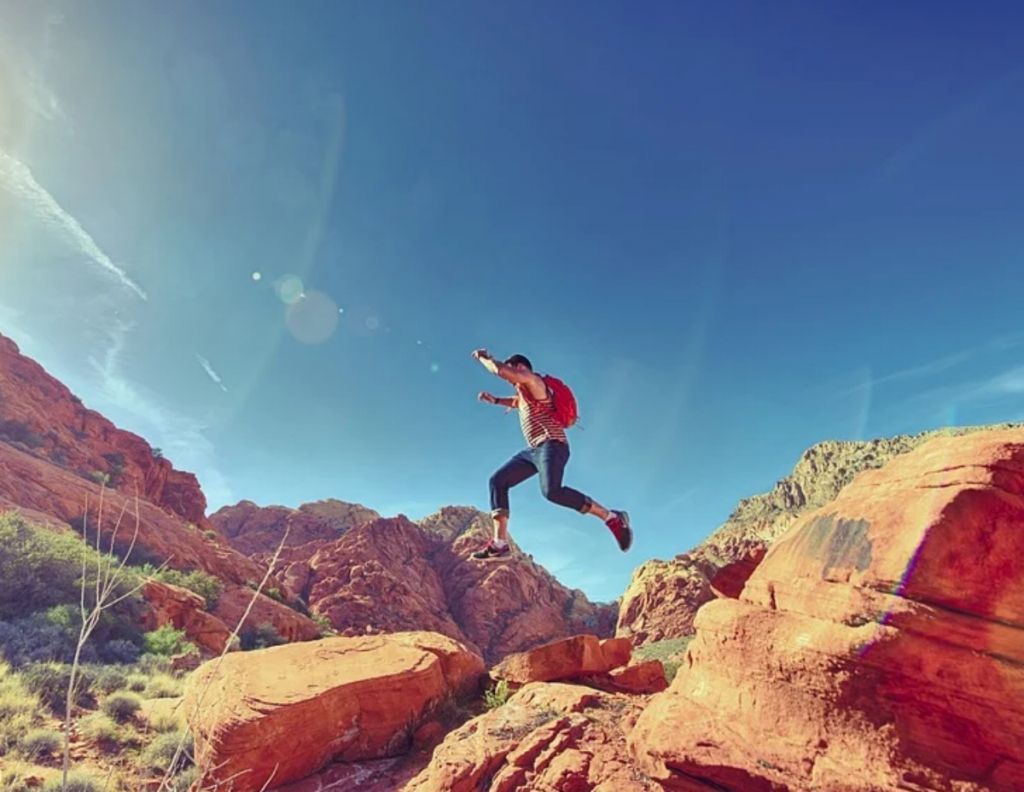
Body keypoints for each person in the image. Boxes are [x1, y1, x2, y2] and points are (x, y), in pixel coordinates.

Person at [471, 348, 632, 559]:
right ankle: (500, 544)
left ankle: (612, 517)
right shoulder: (524, 394)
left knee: (552, 491)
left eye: (513, 372)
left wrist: (485, 358)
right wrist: (495, 400)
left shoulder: (534, 381)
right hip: (533, 451)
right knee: (498, 481)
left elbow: (500, 371)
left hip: (552, 445)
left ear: (520, 367)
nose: (511, 379)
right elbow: (516, 401)